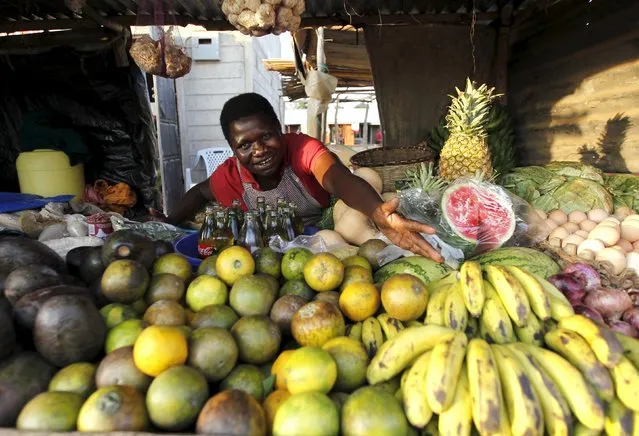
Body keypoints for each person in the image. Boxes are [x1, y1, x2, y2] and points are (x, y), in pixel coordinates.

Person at [152, 93, 442, 261]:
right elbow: (200, 193)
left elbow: (341, 180)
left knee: (349, 216)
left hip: (328, 226)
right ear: (233, 148)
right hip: (281, 251)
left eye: (266, 136)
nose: (260, 151)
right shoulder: (230, 175)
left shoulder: (302, 149)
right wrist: (169, 221)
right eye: (245, 145)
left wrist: (380, 213)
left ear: (280, 130)